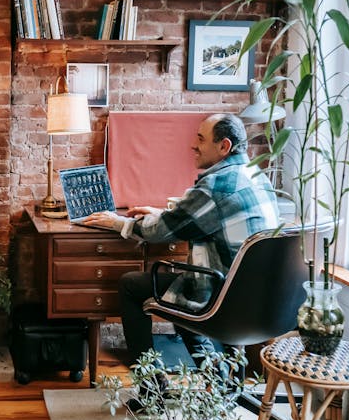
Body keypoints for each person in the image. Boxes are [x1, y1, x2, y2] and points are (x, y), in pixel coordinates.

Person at [83, 113, 280, 366]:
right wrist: (164, 213)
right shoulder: (256, 176)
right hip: (260, 298)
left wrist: (117, 222)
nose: (193, 146)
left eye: (200, 139)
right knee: (180, 294)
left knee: (132, 286)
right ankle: (220, 378)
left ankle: (150, 383)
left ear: (224, 146)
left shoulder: (218, 185)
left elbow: (157, 233)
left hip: (223, 298)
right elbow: (208, 216)